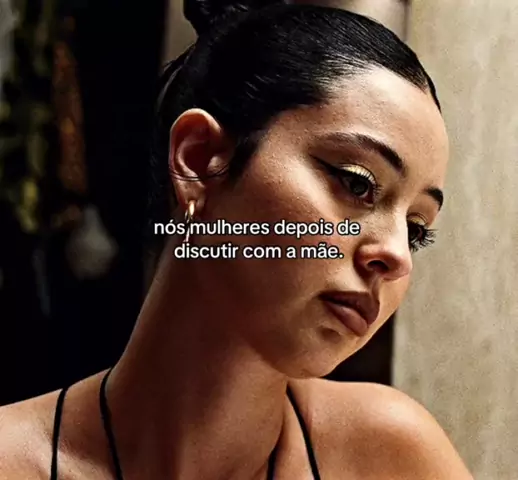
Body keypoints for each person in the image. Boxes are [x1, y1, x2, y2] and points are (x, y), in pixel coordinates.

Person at [0, 1, 474, 479]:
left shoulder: (389, 458)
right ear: (199, 159)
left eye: (416, 229)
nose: (396, 256)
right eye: (356, 182)